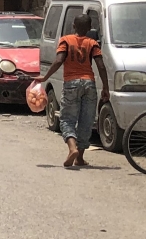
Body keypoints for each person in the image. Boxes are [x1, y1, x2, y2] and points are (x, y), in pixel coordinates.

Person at [36, 13, 109, 168]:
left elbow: (59, 60)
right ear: (90, 28)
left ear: (74, 26)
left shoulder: (66, 40)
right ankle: (80, 157)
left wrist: (45, 77)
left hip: (71, 83)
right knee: (86, 120)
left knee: (67, 119)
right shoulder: (93, 43)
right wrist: (106, 88)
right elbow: (101, 66)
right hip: (89, 83)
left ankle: (72, 148)